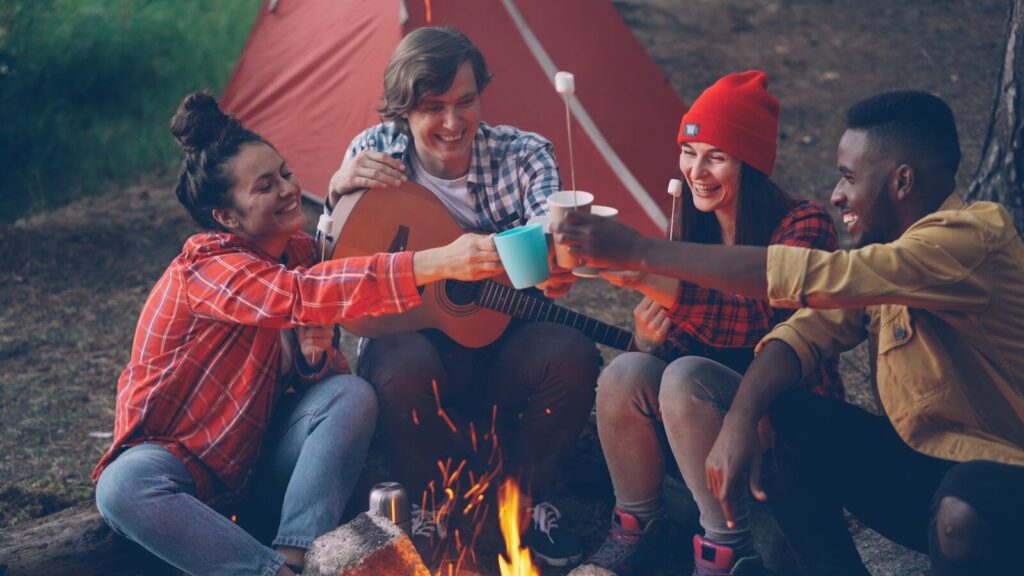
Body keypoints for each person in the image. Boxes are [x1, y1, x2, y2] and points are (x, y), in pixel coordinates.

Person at [556, 90, 1024, 575]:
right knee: (787, 422)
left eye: (848, 177)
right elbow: (805, 331)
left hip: (1004, 476)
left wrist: (639, 254)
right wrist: (741, 417)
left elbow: (807, 281)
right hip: (925, 469)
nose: (838, 194)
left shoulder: (969, 237)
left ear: (901, 181)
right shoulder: (888, 258)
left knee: (960, 513)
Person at [92, 91, 502, 576]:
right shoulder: (206, 265)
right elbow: (299, 294)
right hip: (173, 460)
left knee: (348, 393)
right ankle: (274, 573)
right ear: (227, 216)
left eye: (285, 173)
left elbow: (323, 365)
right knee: (121, 486)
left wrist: (313, 363)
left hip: (253, 459)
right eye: (265, 186)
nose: (288, 189)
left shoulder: (301, 254)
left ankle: (302, 553)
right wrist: (434, 262)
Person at [325, 26, 601, 567]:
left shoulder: (523, 155)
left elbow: (552, 228)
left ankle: (522, 503)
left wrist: (556, 258)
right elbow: (334, 275)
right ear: (402, 111)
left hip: (504, 341)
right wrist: (336, 191)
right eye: (433, 107)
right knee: (400, 360)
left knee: (573, 354)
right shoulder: (374, 152)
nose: (453, 124)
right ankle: (431, 508)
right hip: (413, 342)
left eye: (465, 102)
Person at [584, 70, 842, 576]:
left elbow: (754, 319)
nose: (696, 171)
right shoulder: (688, 224)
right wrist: (646, 339)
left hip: (785, 419)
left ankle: (728, 552)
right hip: (702, 422)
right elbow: (680, 340)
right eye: (688, 152)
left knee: (683, 379)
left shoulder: (804, 225)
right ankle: (638, 528)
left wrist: (643, 274)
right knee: (626, 371)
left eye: (715, 157)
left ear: (750, 163)